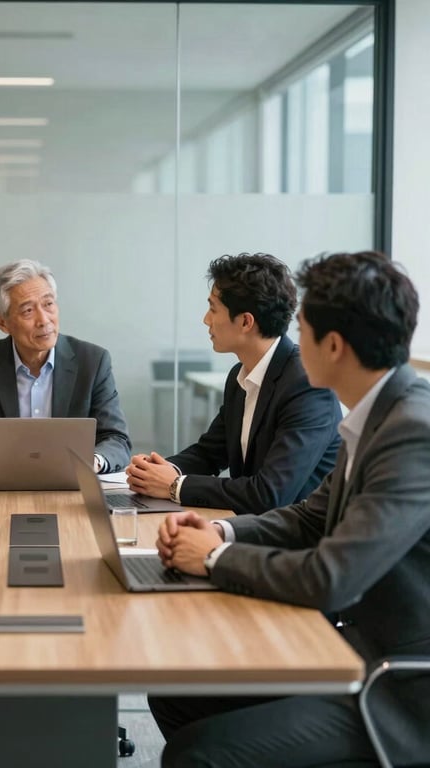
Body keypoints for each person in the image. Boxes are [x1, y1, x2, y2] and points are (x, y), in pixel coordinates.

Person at [150, 251, 430, 767]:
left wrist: (211, 560)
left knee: (198, 754)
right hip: (352, 651)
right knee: (174, 693)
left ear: (334, 345)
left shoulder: (412, 430)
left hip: (400, 688)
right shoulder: (375, 413)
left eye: (301, 329)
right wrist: (219, 533)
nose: (294, 342)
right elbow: (307, 517)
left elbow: (331, 576)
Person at [126, 252, 341, 515]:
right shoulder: (240, 375)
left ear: (245, 321)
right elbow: (209, 453)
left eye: (213, 308)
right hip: (250, 528)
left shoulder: (307, 386)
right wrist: (157, 471)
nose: (206, 319)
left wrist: (175, 486)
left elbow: (270, 493)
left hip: (295, 542)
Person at [0, 258, 132, 472]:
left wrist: (92, 462)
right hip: (1, 488)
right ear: (2, 323)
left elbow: (116, 439)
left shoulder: (93, 362)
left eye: (48, 304)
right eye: (28, 310)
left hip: (73, 487)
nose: (44, 320)